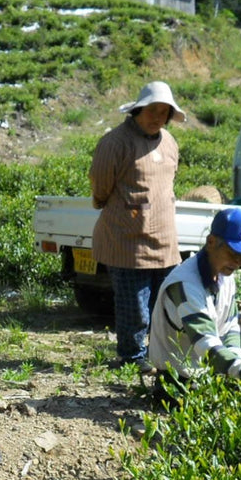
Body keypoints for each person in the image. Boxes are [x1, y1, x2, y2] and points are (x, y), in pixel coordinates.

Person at [89, 81, 185, 367]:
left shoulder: (169, 142)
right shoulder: (115, 142)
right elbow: (100, 186)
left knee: (163, 304)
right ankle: (131, 356)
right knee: (135, 306)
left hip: (164, 239)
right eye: (152, 110)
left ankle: (158, 354)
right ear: (138, 110)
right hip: (127, 239)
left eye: (164, 112)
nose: (157, 117)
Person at [148, 206, 241, 383]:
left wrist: (233, 365)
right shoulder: (185, 283)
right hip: (179, 380)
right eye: (233, 253)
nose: (239, 262)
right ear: (211, 242)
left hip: (211, 373)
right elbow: (206, 343)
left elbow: (231, 325)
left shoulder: (225, 275)